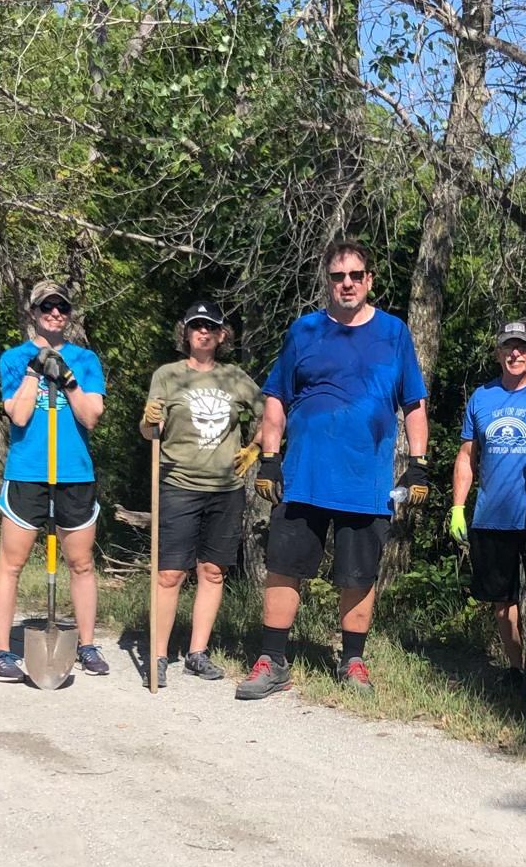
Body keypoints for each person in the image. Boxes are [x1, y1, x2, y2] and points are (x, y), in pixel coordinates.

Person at [235, 240, 429, 700]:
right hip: (304, 475)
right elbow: (277, 397)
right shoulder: (304, 331)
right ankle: (272, 660)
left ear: (369, 281)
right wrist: (269, 456)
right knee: (284, 566)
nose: (347, 283)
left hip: (366, 479)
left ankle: (352, 661)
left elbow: (414, 403)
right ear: (328, 280)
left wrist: (418, 466)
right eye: (338, 276)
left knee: (358, 574)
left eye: (355, 276)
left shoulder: (394, 333)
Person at [140, 300, 265, 688]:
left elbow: (271, 412)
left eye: (210, 326)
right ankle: (159, 655)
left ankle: (197, 652)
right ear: (186, 333)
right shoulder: (167, 375)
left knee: (213, 571)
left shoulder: (235, 378)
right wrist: (148, 422)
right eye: (196, 326)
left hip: (225, 489)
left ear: (221, 335)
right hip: (178, 485)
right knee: (169, 574)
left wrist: (256, 447)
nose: (203, 332)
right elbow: (150, 434)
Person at [0, 280, 108, 681]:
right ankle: (2, 651)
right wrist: (34, 370)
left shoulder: (86, 359)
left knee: (81, 562)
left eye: (62, 307)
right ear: (33, 312)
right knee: (12, 562)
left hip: (74, 472)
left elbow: (91, 415)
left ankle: (87, 645)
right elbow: (18, 416)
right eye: (47, 307)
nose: (56, 313)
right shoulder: (12, 358)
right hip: (28, 472)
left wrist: (69, 378)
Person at [449, 320, 526, 687]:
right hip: (492, 517)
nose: (514, 353)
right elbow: (467, 457)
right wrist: (458, 506)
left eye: (521, 347)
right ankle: (517, 670)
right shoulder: (482, 397)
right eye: (507, 347)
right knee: (502, 601)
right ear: (499, 352)